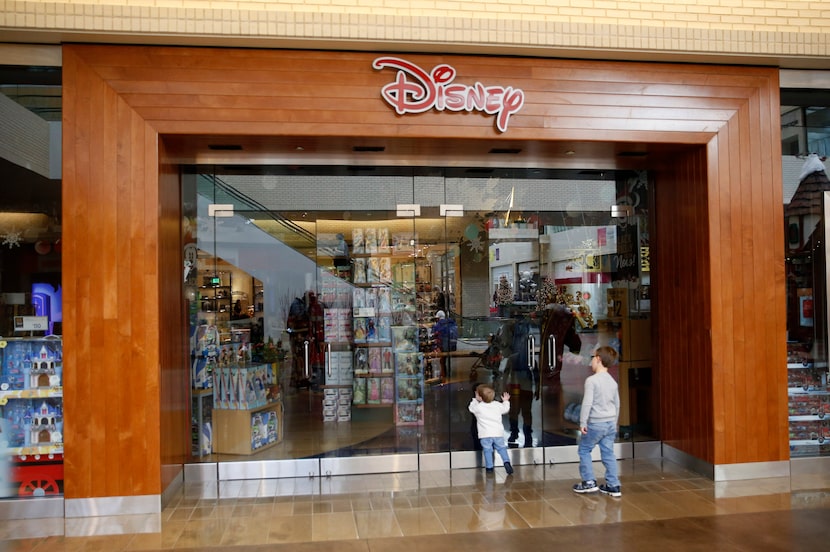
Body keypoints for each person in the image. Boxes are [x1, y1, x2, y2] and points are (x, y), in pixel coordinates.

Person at [572, 346, 622, 497]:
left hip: (596, 423)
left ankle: (589, 482)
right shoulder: (612, 382)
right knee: (608, 453)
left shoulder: (592, 381)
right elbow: (617, 404)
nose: (591, 361)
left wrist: (582, 423)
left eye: (593, 358)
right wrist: (615, 422)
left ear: (599, 359)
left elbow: (587, 403)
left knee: (584, 450)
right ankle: (613, 485)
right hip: (610, 423)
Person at [468, 383, 514, 475]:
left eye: (477, 394)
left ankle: (489, 467)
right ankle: (506, 462)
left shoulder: (479, 407)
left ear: (480, 397)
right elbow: (505, 409)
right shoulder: (497, 405)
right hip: (497, 433)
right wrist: (505, 401)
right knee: (501, 448)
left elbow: (471, 408)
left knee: (487, 450)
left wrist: (474, 400)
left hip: (485, 435)